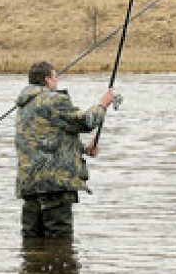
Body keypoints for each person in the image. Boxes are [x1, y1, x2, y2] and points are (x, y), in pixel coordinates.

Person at [15, 61, 115, 238]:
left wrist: (83, 149)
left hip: (29, 185)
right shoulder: (53, 99)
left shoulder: (24, 105)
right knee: (59, 242)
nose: (57, 80)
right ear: (47, 80)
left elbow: (43, 142)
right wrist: (103, 104)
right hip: (54, 185)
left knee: (32, 241)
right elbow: (86, 122)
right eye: (55, 76)